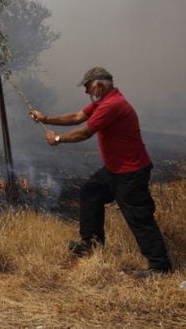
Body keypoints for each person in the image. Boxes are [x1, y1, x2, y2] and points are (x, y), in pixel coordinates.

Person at [29, 66, 172, 278]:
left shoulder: (113, 105)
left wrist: (58, 139)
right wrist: (46, 119)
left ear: (98, 85)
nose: (87, 92)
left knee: (138, 217)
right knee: (90, 193)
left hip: (130, 171)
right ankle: (91, 243)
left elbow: (85, 132)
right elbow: (78, 116)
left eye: (87, 87)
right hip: (115, 169)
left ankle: (160, 267)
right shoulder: (102, 102)